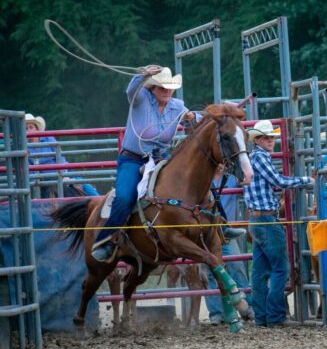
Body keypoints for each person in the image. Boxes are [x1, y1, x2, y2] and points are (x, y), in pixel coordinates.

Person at [91, 66, 198, 262]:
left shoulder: (177, 106)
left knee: (192, 183)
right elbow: (131, 90)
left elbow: (194, 121)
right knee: (124, 197)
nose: (167, 91)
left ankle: (219, 226)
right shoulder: (140, 99)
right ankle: (106, 240)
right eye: (162, 88)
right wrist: (143, 74)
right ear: (152, 88)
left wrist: (194, 117)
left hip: (161, 158)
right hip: (133, 158)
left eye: (169, 88)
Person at [244, 119, 314, 327]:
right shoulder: (260, 158)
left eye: (272, 137)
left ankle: (262, 316)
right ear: (257, 139)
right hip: (266, 218)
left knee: (259, 270)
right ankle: (276, 316)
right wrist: (305, 180)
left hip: (256, 219)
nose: (271, 140)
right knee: (280, 268)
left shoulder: (251, 158)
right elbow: (279, 181)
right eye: (266, 137)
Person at [205, 165, 255, 325]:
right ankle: (216, 313)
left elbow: (247, 179)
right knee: (211, 272)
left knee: (237, 267)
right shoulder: (204, 176)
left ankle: (248, 308)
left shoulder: (232, 178)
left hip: (226, 231)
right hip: (208, 232)